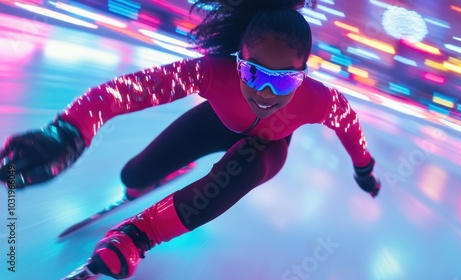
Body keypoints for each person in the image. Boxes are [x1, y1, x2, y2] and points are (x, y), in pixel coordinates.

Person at [0, 0, 381, 278]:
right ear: (237, 61)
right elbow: (131, 90)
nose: (265, 92)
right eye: (253, 74)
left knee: (240, 170)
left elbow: (351, 129)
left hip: (266, 147)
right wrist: (68, 129)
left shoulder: (321, 100)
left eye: (283, 81)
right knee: (133, 177)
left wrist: (364, 170)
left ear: (304, 74)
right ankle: (151, 180)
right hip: (215, 122)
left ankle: (140, 235)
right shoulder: (212, 73)